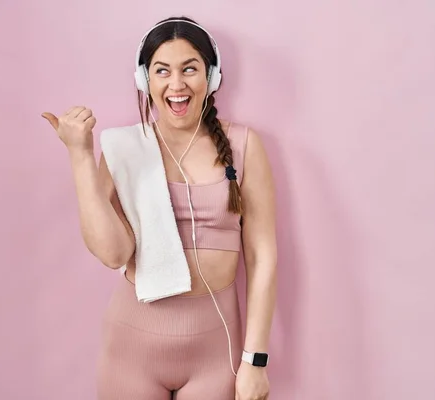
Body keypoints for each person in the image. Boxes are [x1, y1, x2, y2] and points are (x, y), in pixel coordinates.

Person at [41, 16, 277, 400]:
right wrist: (81, 155)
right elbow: (113, 252)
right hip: (131, 347)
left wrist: (256, 360)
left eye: (190, 69)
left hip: (217, 352)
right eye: (162, 70)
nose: (177, 84)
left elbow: (262, 255)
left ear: (212, 77)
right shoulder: (125, 148)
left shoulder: (244, 146)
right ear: (145, 80)